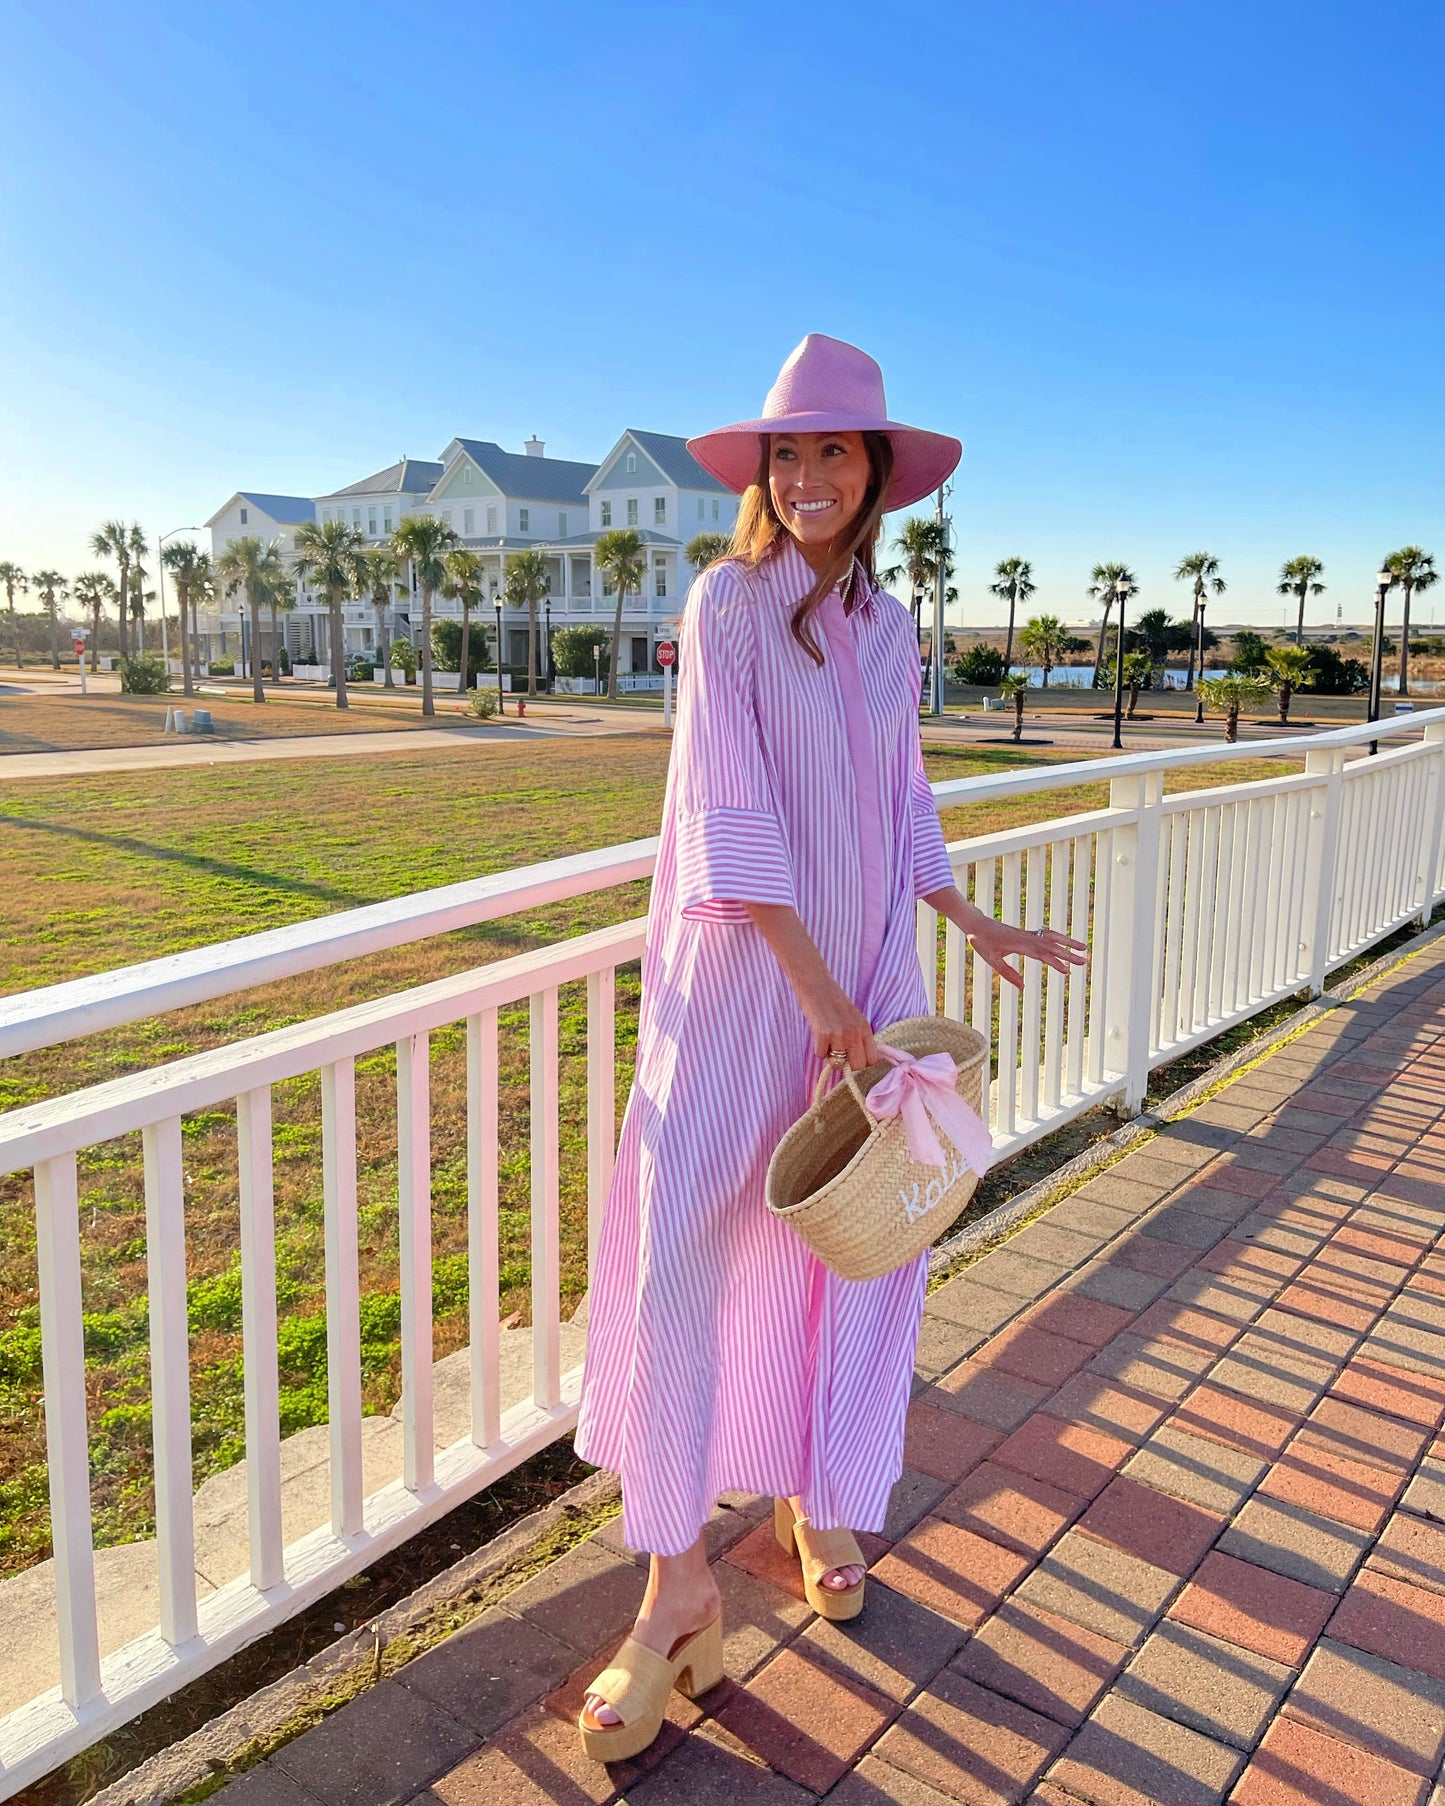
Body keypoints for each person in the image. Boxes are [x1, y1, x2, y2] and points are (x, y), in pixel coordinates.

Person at [573, 335, 1085, 1761]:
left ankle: (823, 1491)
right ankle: (675, 1579)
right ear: (761, 474)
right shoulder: (726, 606)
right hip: (747, 978)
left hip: (866, 972)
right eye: (783, 453)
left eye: (831, 453)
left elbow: (897, 791)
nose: (803, 476)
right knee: (679, 1247)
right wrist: (815, 996)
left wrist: (968, 918)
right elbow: (730, 817)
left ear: (874, 477)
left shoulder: (885, 623)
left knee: (859, 1248)